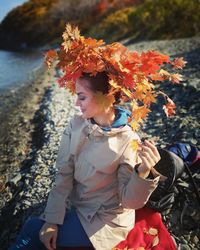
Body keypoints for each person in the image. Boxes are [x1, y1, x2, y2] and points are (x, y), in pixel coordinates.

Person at [9, 71, 161, 250]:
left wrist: (143, 171)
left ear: (107, 97)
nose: (76, 104)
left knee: (31, 231)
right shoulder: (77, 125)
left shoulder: (128, 140)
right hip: (78, 205)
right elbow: (64, 174)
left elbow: (129, 202)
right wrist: (52, 220)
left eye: (82, 97)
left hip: (103, 220)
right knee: (37, 229)